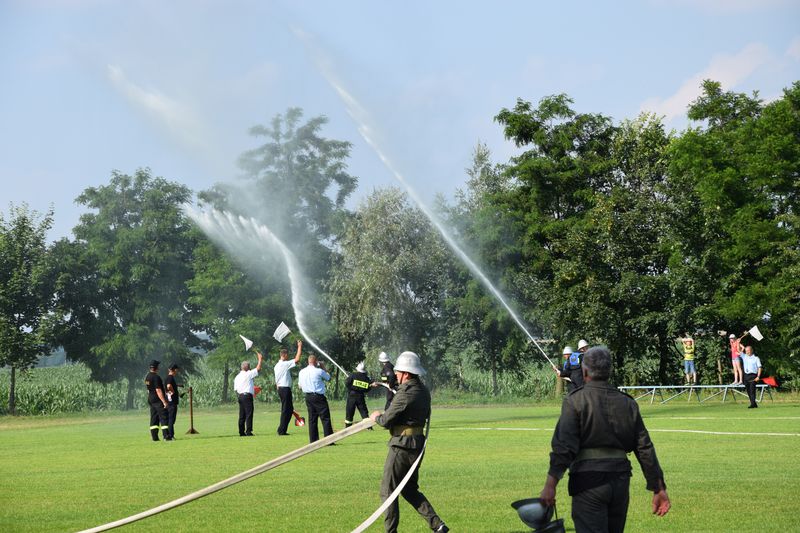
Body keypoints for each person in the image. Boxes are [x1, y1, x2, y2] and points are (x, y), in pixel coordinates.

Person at [539, 346, 670, 533]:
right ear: (609, 371)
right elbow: (644, 447)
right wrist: (659, 488)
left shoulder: (575, 400)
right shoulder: (627, 403)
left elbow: (564, 447)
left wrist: (550, 486)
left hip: (588, 481)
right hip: (620, 481)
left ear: (585, 371)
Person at [370, 351, 448, 533]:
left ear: (405, 373)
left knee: (388, 491)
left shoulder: (406, 393)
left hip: (402, 446)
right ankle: (438, 526)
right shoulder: (422, 390)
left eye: (398, 372)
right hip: (416, 444)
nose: (395, 375)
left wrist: (376, 417)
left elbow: (386, 420)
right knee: (409, 489)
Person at [298, 353, 334, 443]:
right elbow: (329, 378)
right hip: (318, 396)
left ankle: (313, 440)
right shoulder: (319, 371)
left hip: (308, 396)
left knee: (312, 419)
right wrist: (323, 367)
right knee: (325, 418)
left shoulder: (302, 372)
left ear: (308, 361)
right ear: (316, 362)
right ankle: (329, 439)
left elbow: (300, 386)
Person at [274, 340, 302, 436]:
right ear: (284, 355)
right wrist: (299, 346)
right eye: (287, 355)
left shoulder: (276, 365)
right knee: (286, 410)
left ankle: (282, 429)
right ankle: (281, 430)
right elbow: (297, 359)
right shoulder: (284, 364)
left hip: (281, 388)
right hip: (285, 389)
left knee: (288, 410)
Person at [234, 350, 263, 436]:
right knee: (249, 414)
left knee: (242, 415)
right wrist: (260, 359)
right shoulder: (248, 374)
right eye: (249, 367)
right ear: (247, 368)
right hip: (247, 396)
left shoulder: (237, 377)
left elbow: (236, 389)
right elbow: (258, 368)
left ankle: (241, 431)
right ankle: (249, 431)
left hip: (240, 396)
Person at [345, 361, 376, 428]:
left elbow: (347, 383)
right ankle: (369, 427)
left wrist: (351, 387)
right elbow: (367, 388)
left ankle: (347, 427)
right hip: (360, 396)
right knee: (364, 412)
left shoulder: (353, 375)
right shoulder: (365, 378)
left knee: (349, 412)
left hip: (352, 396)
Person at [144, 360, 169, 442]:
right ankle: (166, 436)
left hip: (151, 399)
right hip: (157, 400)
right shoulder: (156, 377)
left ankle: (154, 437)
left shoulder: (147, 376)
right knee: (163, 417)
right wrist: (164, 401)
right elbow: (158, 390)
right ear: (156, 368)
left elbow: (148, 390)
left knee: (154, 418)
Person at [164, 363, 182, 441]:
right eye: (176, 370)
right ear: (174, 370)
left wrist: (176, 386)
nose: (177, 371)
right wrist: (172, 391)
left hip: (169, 401)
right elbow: (168, 386)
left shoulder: (168, 378)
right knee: (171, 419)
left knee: (170, 419)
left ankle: (168, 435)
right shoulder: (170, 378)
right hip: (172, 402)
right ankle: (170, 435)